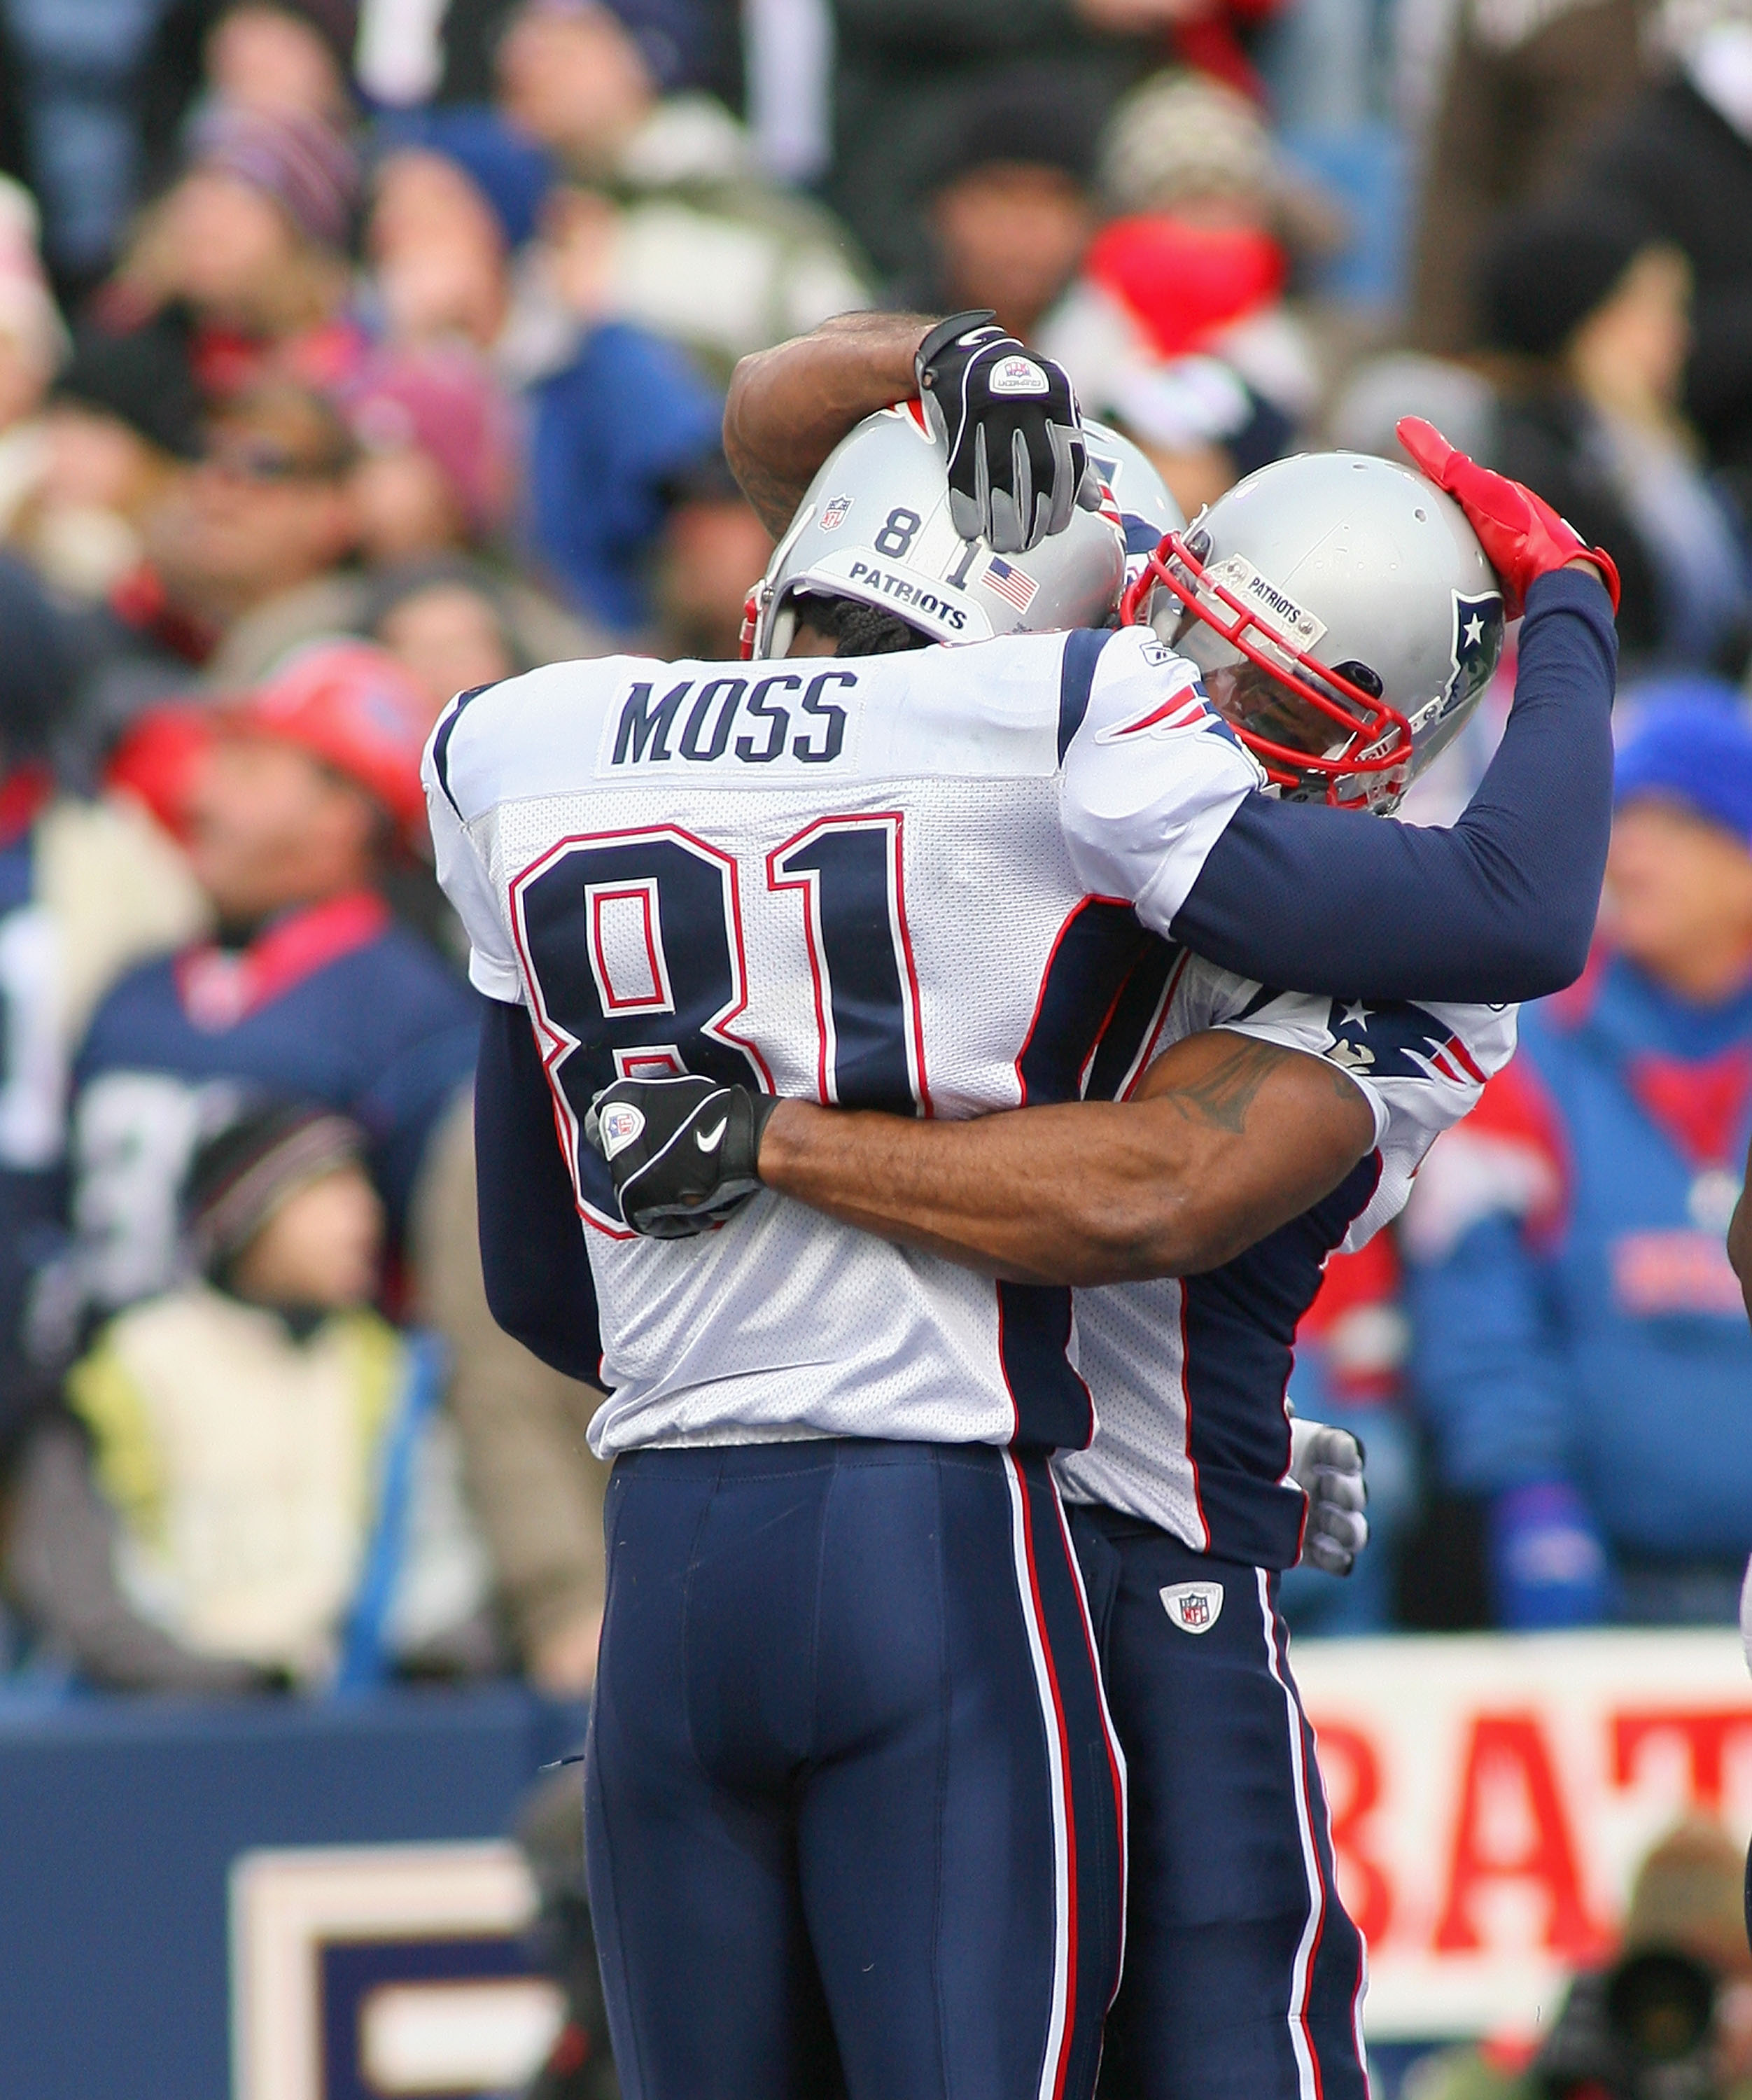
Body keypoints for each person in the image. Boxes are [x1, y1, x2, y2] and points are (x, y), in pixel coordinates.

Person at [435, 332, 1617, 2095]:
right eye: (1186, 654)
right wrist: (937, 352)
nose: (1212, 713)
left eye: (1282, 715)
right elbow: (822, 477)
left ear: (1376, 765)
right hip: (955, 1531)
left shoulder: (1320, 908)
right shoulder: (1046, 730)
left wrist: (770, 1149)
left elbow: (1158, 1184)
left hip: (1145, 1575)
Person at [1406, 692, 1752, 1630]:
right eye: (1620, 821)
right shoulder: (1524, 1048)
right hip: (1601, 1582)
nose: (1627, 855)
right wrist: (1528, 1495)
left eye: (1672, 825)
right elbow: (1477, 1298)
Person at [6, 1097, 496, 1692]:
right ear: (244, 1214)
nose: (362, 1216)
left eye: (361, 1189)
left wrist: (427, 1660)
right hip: (159, 1727)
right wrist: (202, 1679)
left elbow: (443, 1560)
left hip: (352, 1719)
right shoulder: (127, 1368)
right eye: (324, 1192)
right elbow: (75, 1578)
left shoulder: (393, 1370)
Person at [493, 0, 869, 384]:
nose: (534, 63)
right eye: (518, 65)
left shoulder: (719, 175)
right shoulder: (517, 214)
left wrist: (621, 279)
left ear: (638, 56)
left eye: (565, 50)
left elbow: (839, 328)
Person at [1478, 200, 1752, 675]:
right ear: (1591, 322)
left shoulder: (1651, 448)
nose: (1680, 334)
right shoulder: (1542, 461)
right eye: (1657, 309)